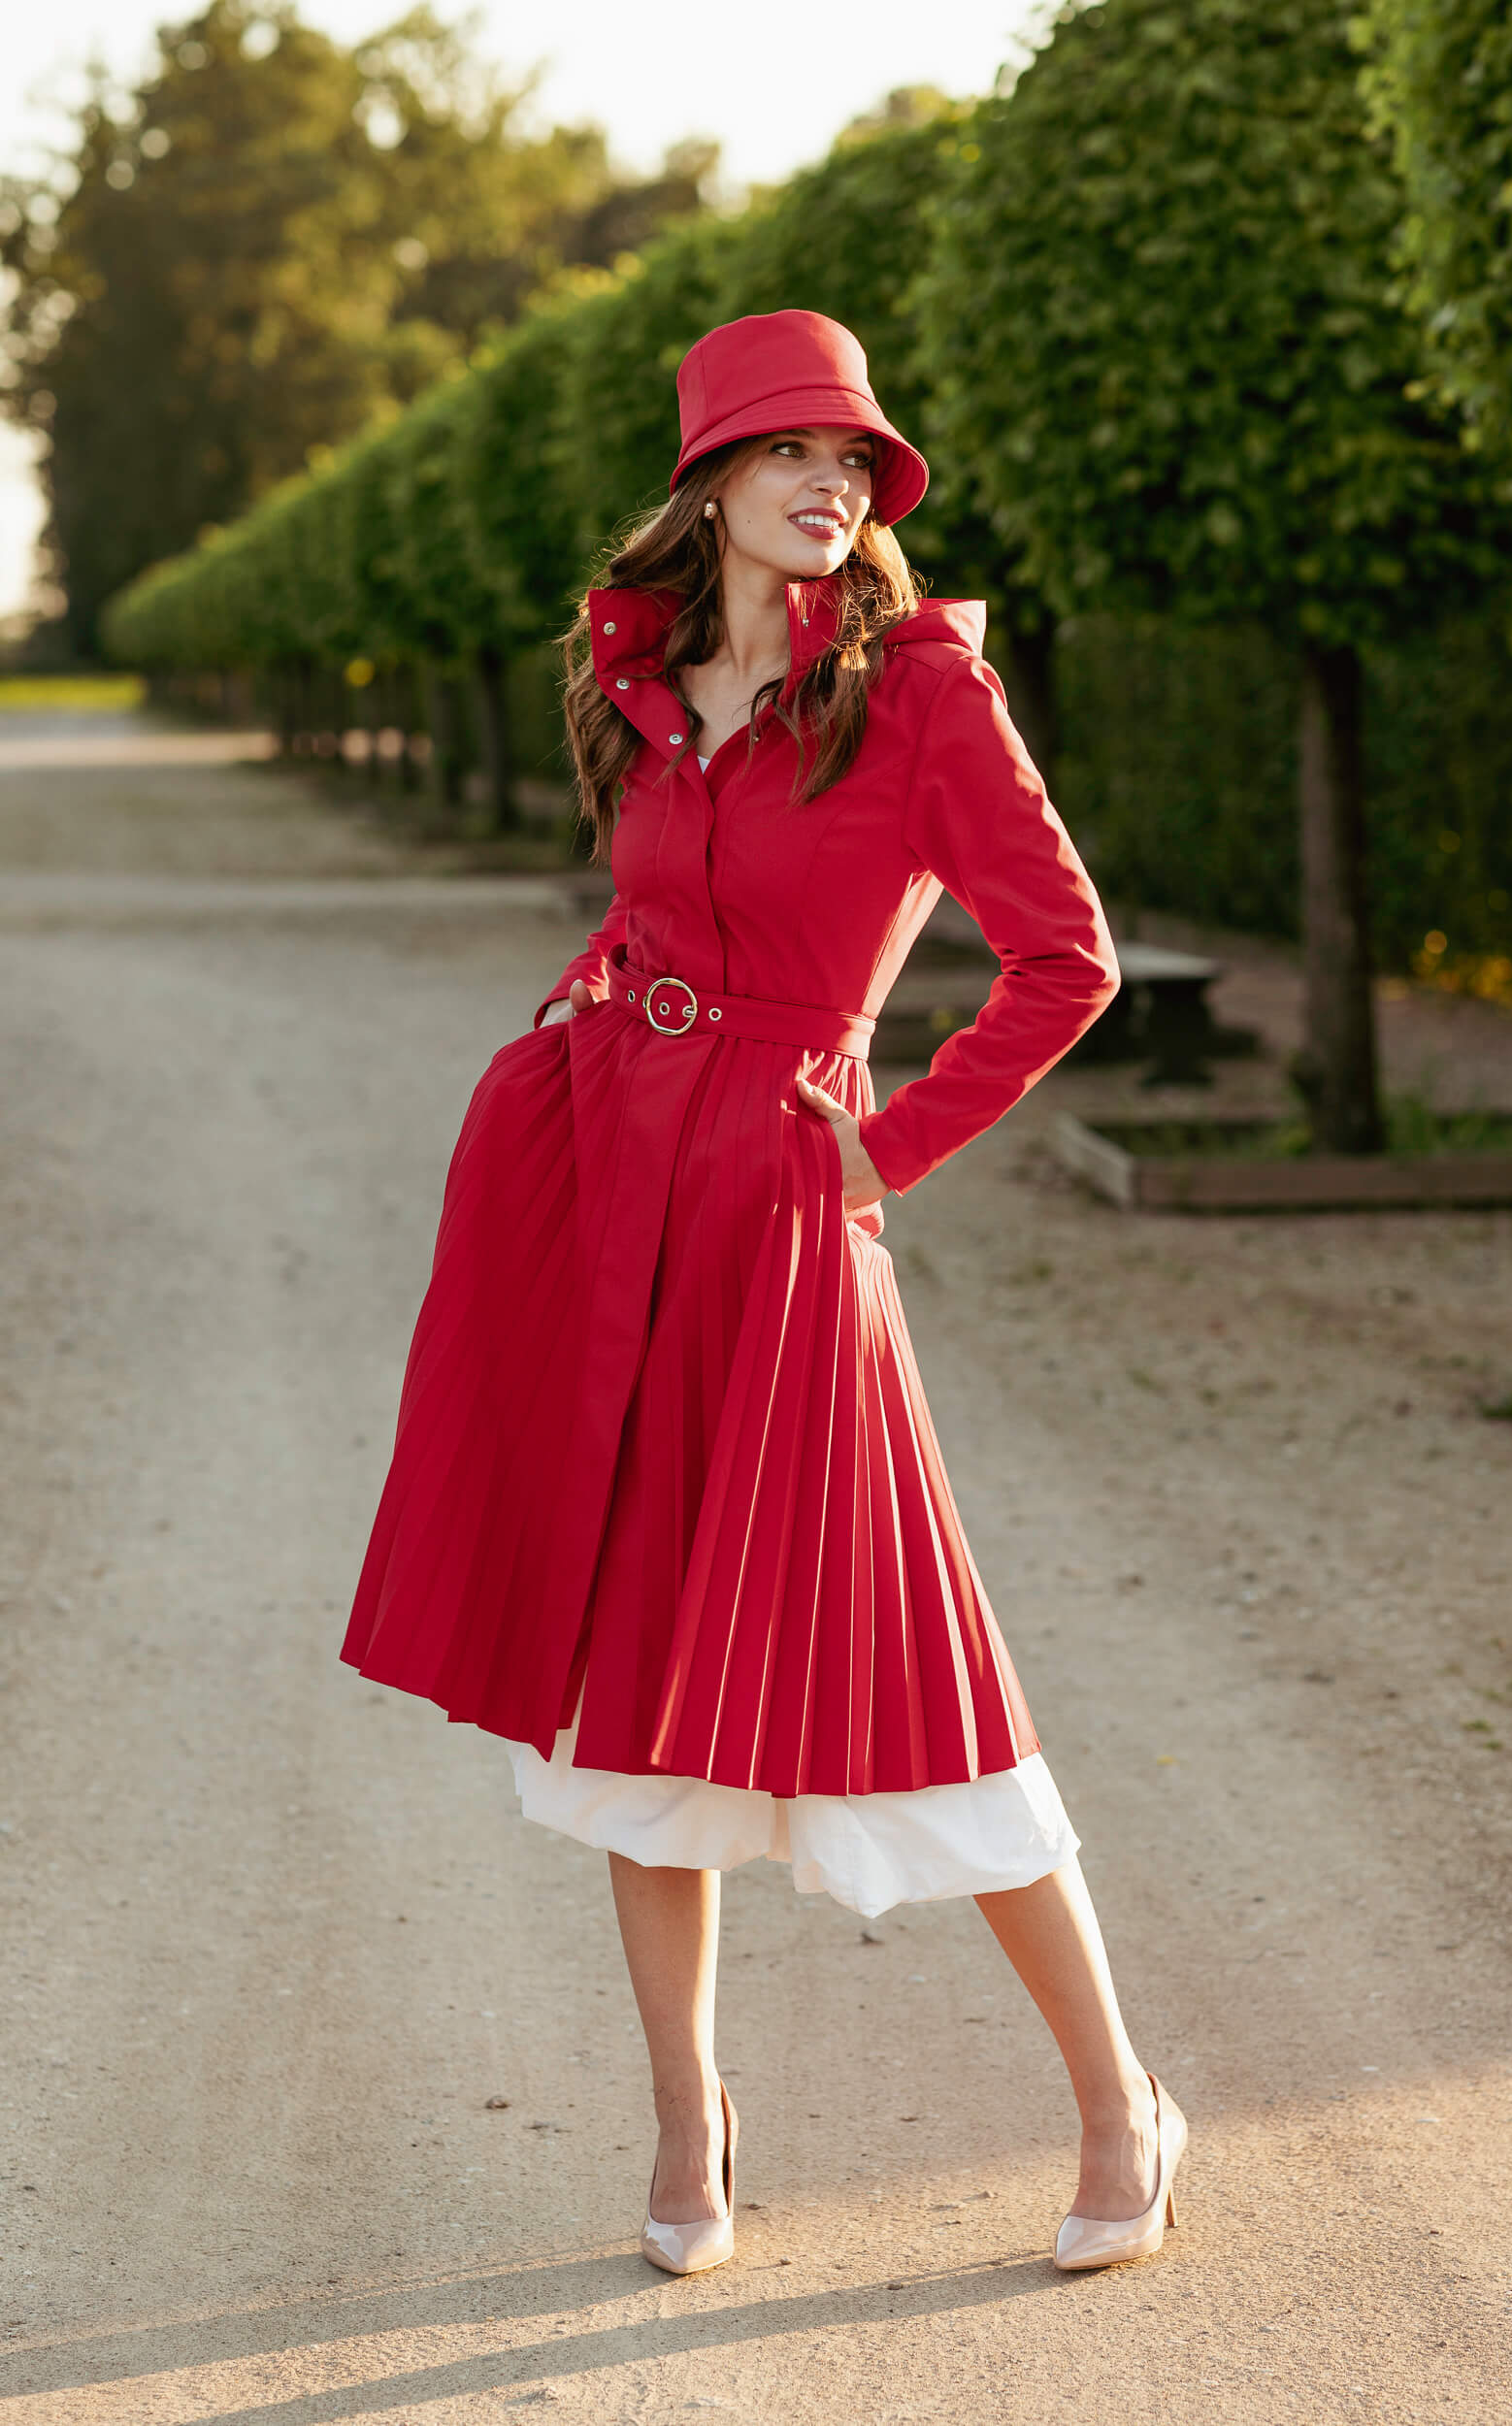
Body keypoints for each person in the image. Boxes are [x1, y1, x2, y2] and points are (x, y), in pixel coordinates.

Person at [343, 310, 1186, 2277]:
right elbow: (647, 913)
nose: (833, 485)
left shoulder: (925, 698)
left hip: (798, 1227)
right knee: (635, 1690)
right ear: (712, 481)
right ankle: (687, 2123)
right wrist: (560, 1052)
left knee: (922, 1680)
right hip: (614, 1189)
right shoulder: (649, 682)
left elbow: (1071, 962)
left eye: (856, 463)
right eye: (794, 453)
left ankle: (1118, 2098)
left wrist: (890, 1143)